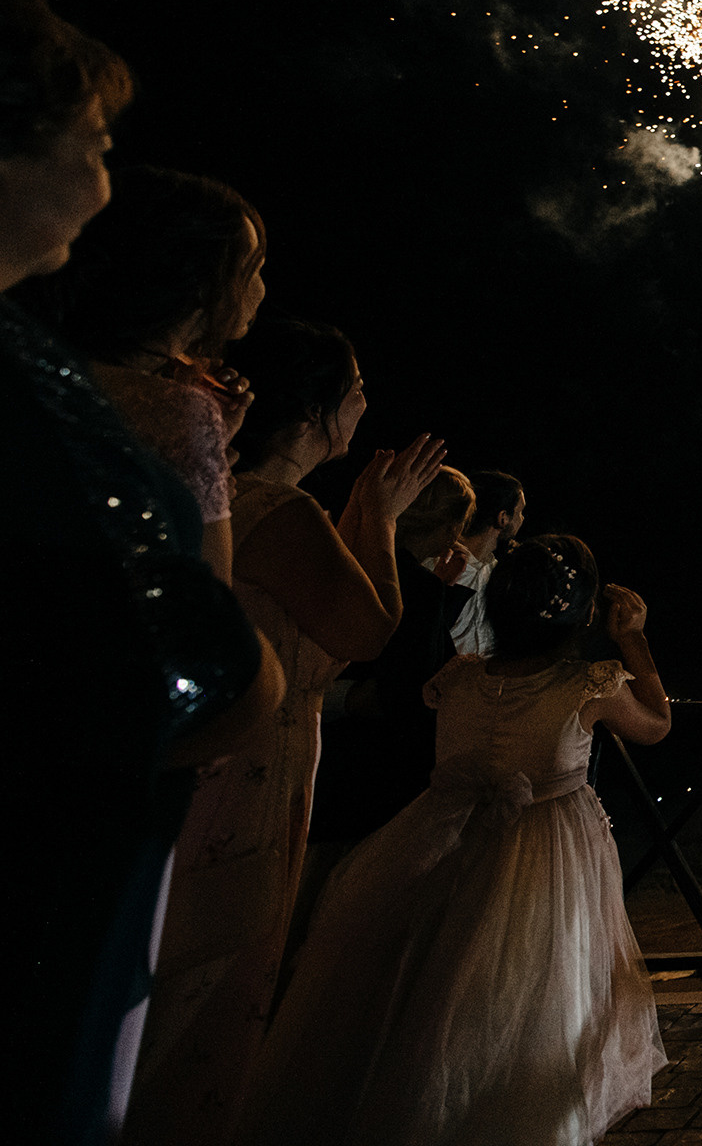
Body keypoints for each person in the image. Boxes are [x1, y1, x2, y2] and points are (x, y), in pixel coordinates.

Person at [1, 0, 281, 1143]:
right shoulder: (43, 396)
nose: (106, 179)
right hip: (56, 852)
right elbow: (187, 640)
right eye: (96, 142)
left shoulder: (47, 361)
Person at [122, 318, 446, 1146]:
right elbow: (369, 631)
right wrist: (373, 512)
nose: (368, 402)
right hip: (250, 766)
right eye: (356, 388)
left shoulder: (257, 502)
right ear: (313, 413)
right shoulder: (284, 510)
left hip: (251, 753)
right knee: (208, 998)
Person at [244, 534, 672, 1145]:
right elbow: (657, 724)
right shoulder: (589, 683)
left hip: (439, 837)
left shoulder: (459, 678)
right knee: (536, 991)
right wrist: (633, 637)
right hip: (547, 851)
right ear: (578, 612)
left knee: (429, 987)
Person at [25, 163, 268, 582]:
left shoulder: (48, 360)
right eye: (253, 269)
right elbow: (211, 607)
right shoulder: (181, 412)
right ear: (200, 281)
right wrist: (197, 433)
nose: (262, 289)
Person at [311, 467, 475, 849]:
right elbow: (416, 683)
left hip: (331, 748)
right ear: (452, 528)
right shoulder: (415, 586)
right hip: (378, 766)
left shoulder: (355, 556)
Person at [446, 469, 526, 657]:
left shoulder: (497, 572)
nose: (522, 519)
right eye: (520, 512)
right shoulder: (443, 563)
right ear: (503, 518)